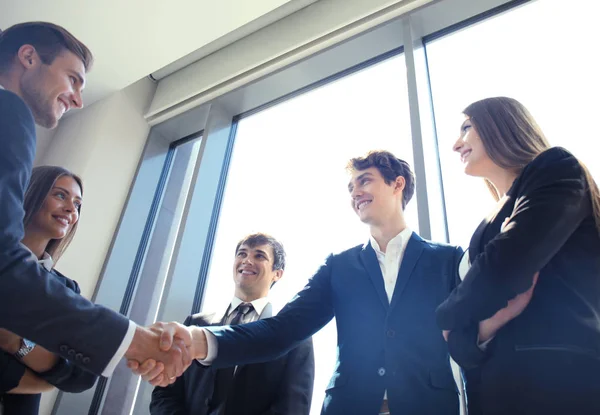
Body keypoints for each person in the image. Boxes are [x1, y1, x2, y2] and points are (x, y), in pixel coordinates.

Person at [136, 151, 464, 414]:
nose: (356, 193)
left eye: (365, 181)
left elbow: (476, 335)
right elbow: (281, 330)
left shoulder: (448, 260)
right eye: (351, 188)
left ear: (398, 185)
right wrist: (197, 339)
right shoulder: (339, 268)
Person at [0, 21, 198, 386]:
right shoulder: (9, 112)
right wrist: (134, 340)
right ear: (28, 57)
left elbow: (78, 379)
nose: (77, 99)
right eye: (73, 79)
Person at [436, 97, 600, 415]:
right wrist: (484, 325)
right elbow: (463, 347)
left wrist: (444, 317)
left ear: (503, 125)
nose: (457, 145)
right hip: (499, 392)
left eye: (467, 127)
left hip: (559, 386)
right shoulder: (490, 219)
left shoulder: (556, 166)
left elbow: (503, 268)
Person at [150, 233, 315, 415]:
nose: (247, 260)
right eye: (242, 254)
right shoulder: (195, 325)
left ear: (277, 273)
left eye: (259, 255)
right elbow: (164, 394)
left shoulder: (293, 334)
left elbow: (293, 407)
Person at [0, 166, 99, 414]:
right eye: (60, 195)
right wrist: (41, 380)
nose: (71, 210)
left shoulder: (66, 288)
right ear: (30, 193)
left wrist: (16, 343)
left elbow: (82, 375)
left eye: (77, 204)